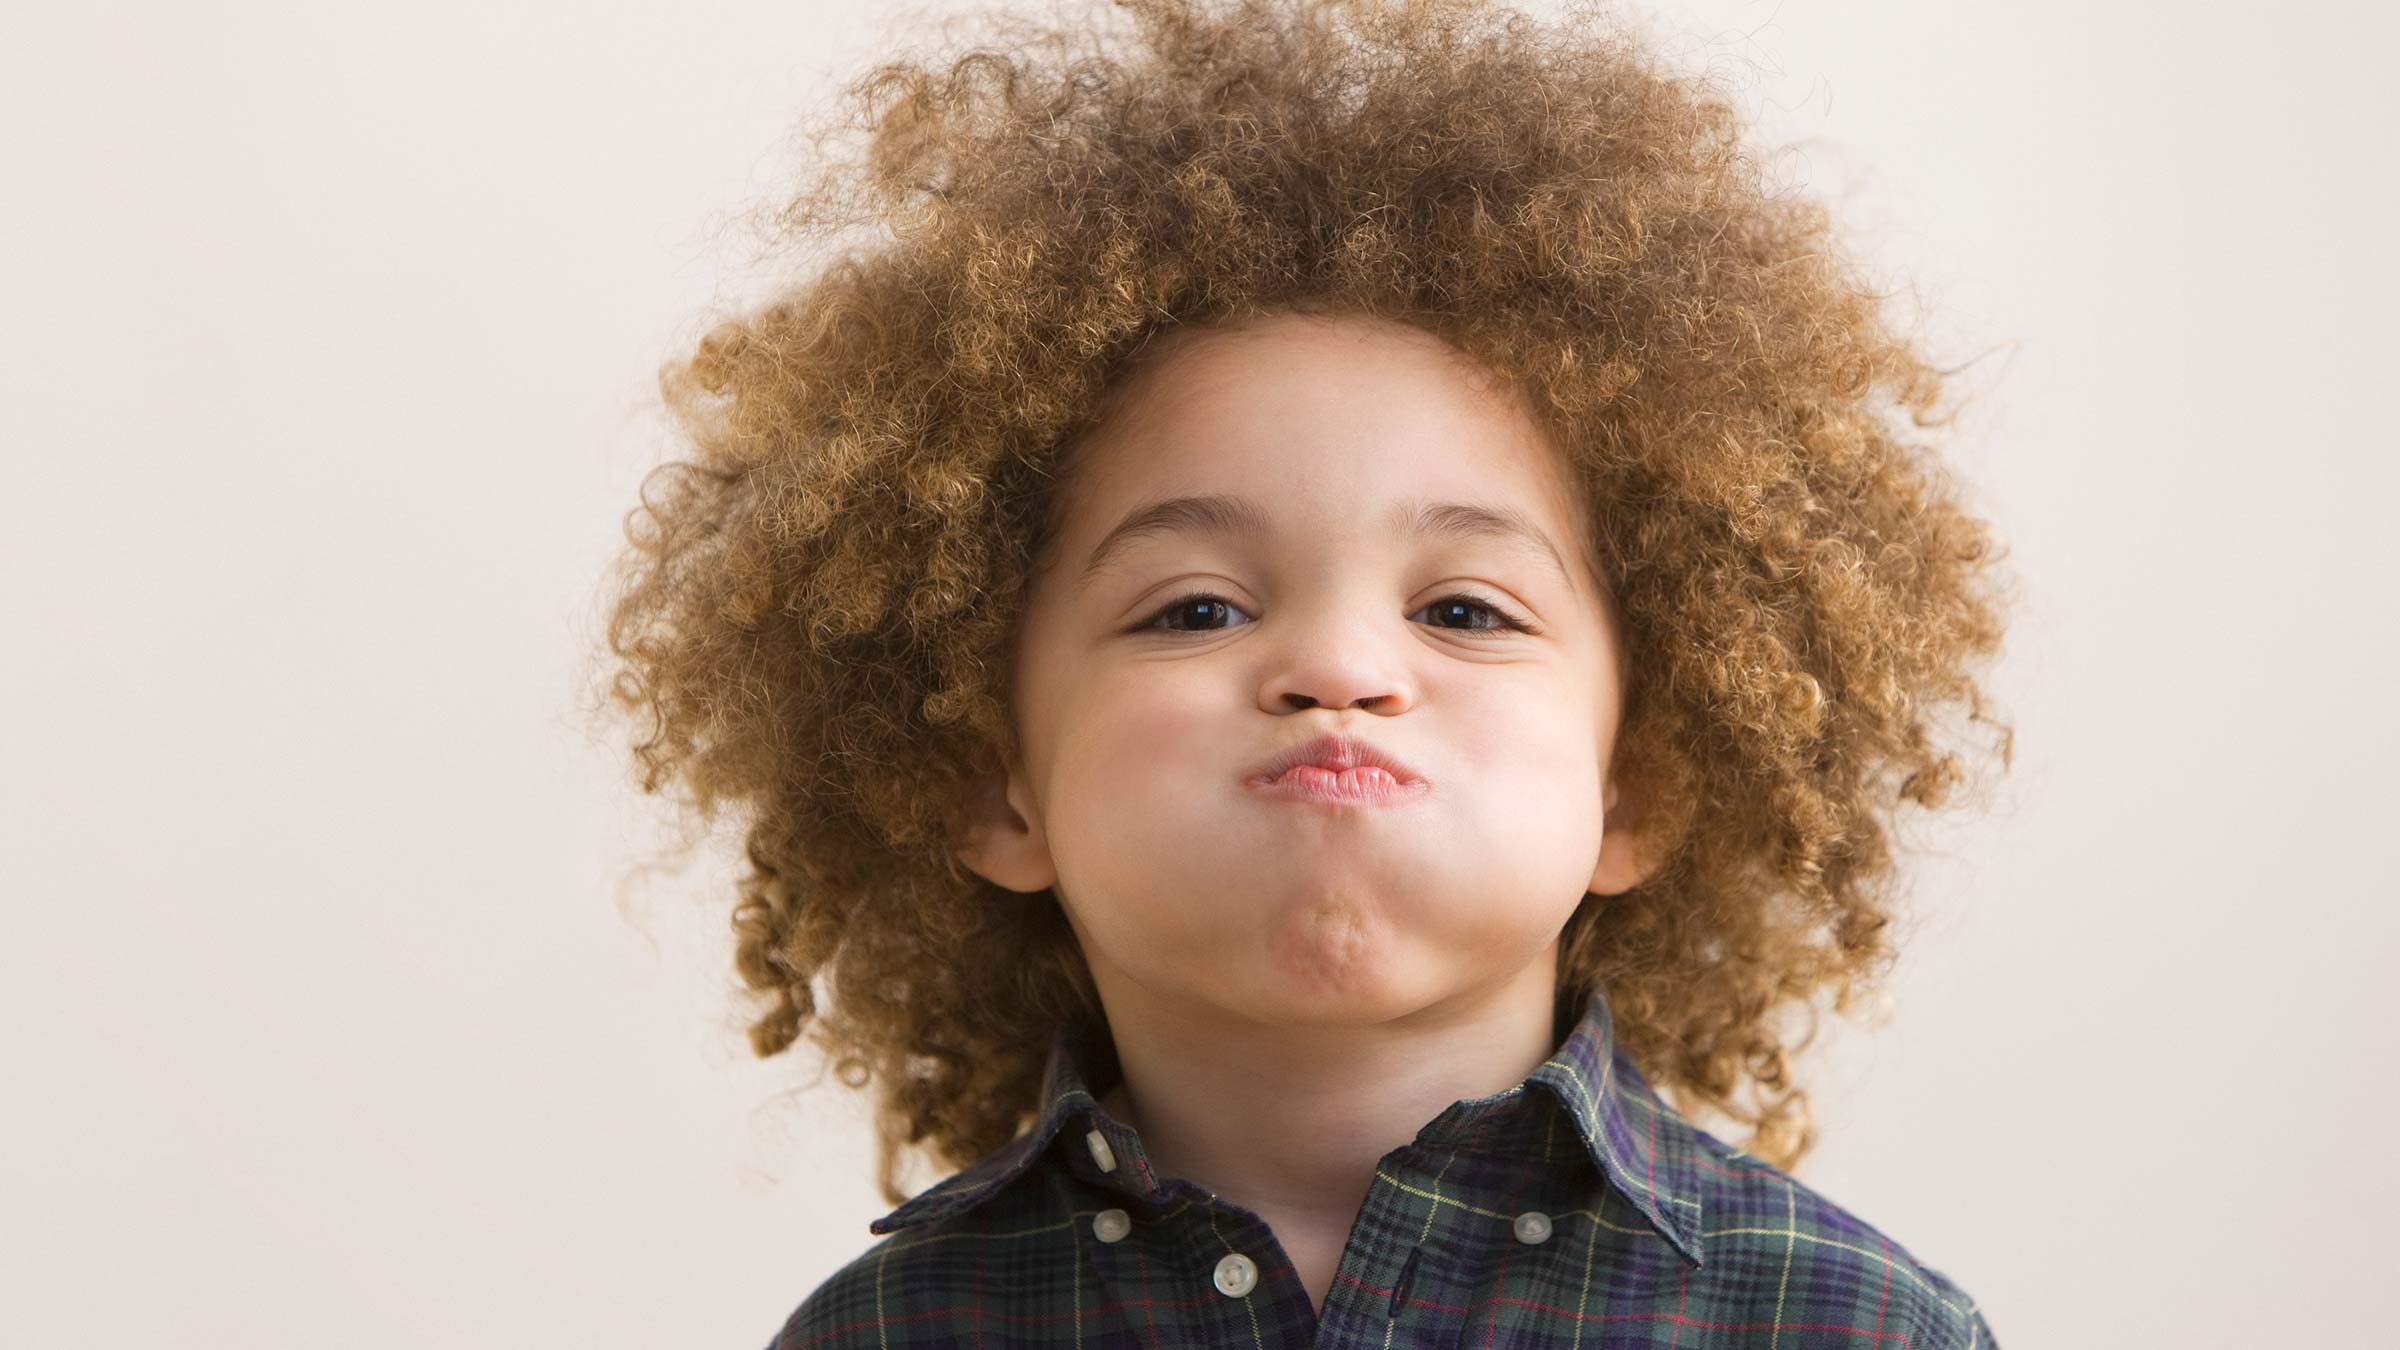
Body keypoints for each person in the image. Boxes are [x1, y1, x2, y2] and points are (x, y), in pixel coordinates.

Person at [594, 1, 2016, 1344]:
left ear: (1639, 779)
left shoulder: (1849, 1327)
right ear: (992, 782)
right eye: (1198, 611)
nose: (1336, 666)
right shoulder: (888, 1336)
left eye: (1463, 608)